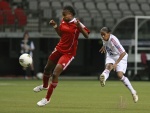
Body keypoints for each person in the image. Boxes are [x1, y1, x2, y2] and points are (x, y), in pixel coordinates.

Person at [33, 5, 90, 106]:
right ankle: (45, 85)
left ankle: (47, 99)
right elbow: (61, 34)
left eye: (65, 14)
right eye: (62, 14)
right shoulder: (63, 21)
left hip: (68, 53)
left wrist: (80, 27)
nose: (63, 16)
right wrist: (55, 26)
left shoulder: (77, 23)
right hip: (59, 49)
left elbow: (87, 36)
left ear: (71, 14)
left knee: (55, 74)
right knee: (47, 69)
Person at [99, 27, 138, 103]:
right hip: (111, 55)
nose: (102, 37)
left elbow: (123, 53)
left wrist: (116, 63)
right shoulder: (103, 38)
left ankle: (133, 92)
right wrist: (103, 46)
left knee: (119, 75)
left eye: (104, 35)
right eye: (101, 35)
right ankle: (103, 78)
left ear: (109, 34)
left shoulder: (114, 41)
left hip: (120, 56)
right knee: (108, 66)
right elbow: (105, 42)